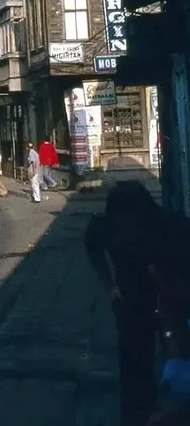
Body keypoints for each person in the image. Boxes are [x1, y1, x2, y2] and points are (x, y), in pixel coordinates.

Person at [84, 181, 190, 426]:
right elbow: (92, 245)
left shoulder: (171, 227)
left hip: (172, 298)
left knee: (178, 359)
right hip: (132, 299)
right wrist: (110, 288)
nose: (125, 229)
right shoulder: (108, 226)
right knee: (134, 364)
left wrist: (170, 301)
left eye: (129, 221)